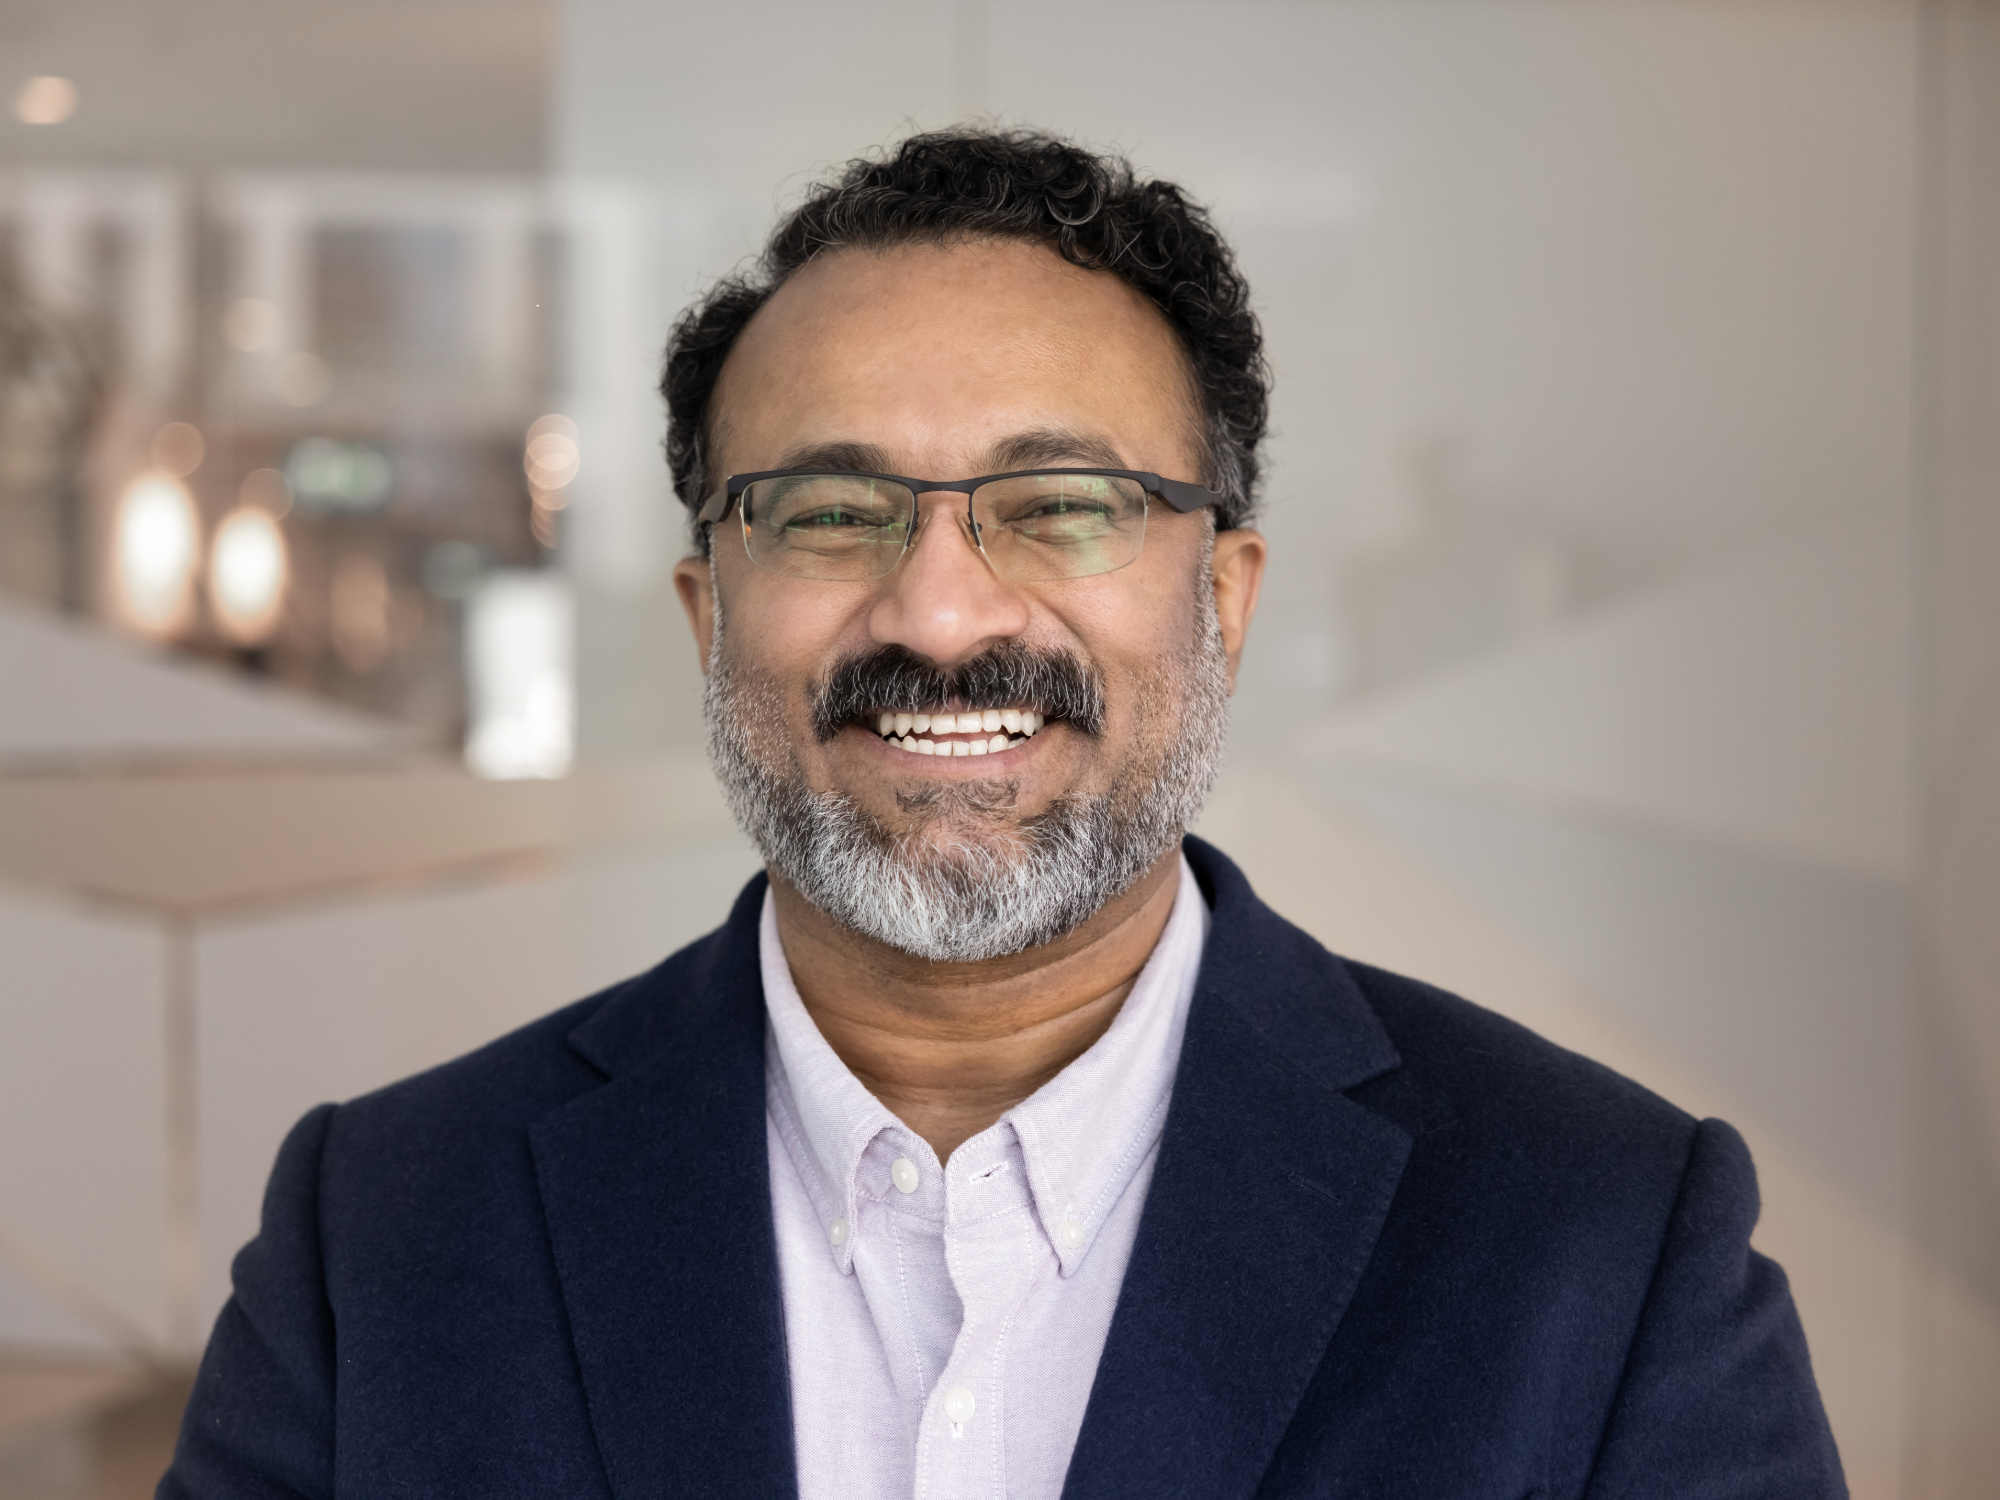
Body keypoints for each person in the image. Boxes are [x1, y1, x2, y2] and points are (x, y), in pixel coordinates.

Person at [160, 129, 1845, 1500]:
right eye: (829, 510)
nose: (944, 617)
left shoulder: (1599, 1240)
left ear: (1225, 600)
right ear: (705, 615)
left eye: (1063, 505)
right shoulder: (382, 1230)